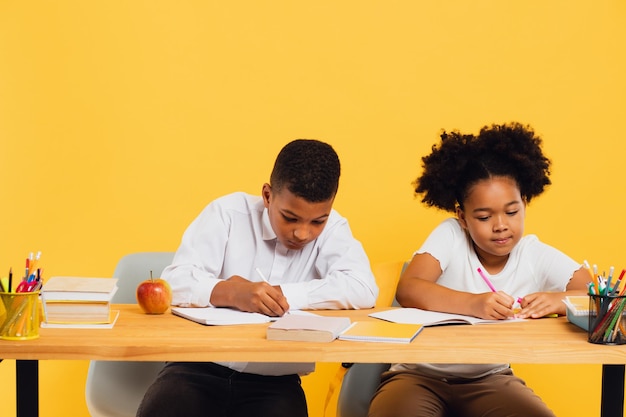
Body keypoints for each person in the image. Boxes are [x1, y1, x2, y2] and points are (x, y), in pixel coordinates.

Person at [137, 139, 378, 417]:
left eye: (317, 222)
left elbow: (362, 287)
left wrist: (282, 294)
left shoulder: (335, 229)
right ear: (267, 195)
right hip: (193, 370)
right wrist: (230, 292)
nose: (303, 233)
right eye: (290, 217)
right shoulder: (227, 214)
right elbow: (175, 282)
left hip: (275, 384)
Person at [368, 123, 588, 417]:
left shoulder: (533, 254)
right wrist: (474, 303)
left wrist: (560, 301)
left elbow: (599, 293)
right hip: (417, 376)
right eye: (484, 216)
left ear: (525, 203)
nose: (500, 225)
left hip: (492, 379)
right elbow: (409, 288)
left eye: (512, 212)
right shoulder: (450, 236)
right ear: (462, 217)